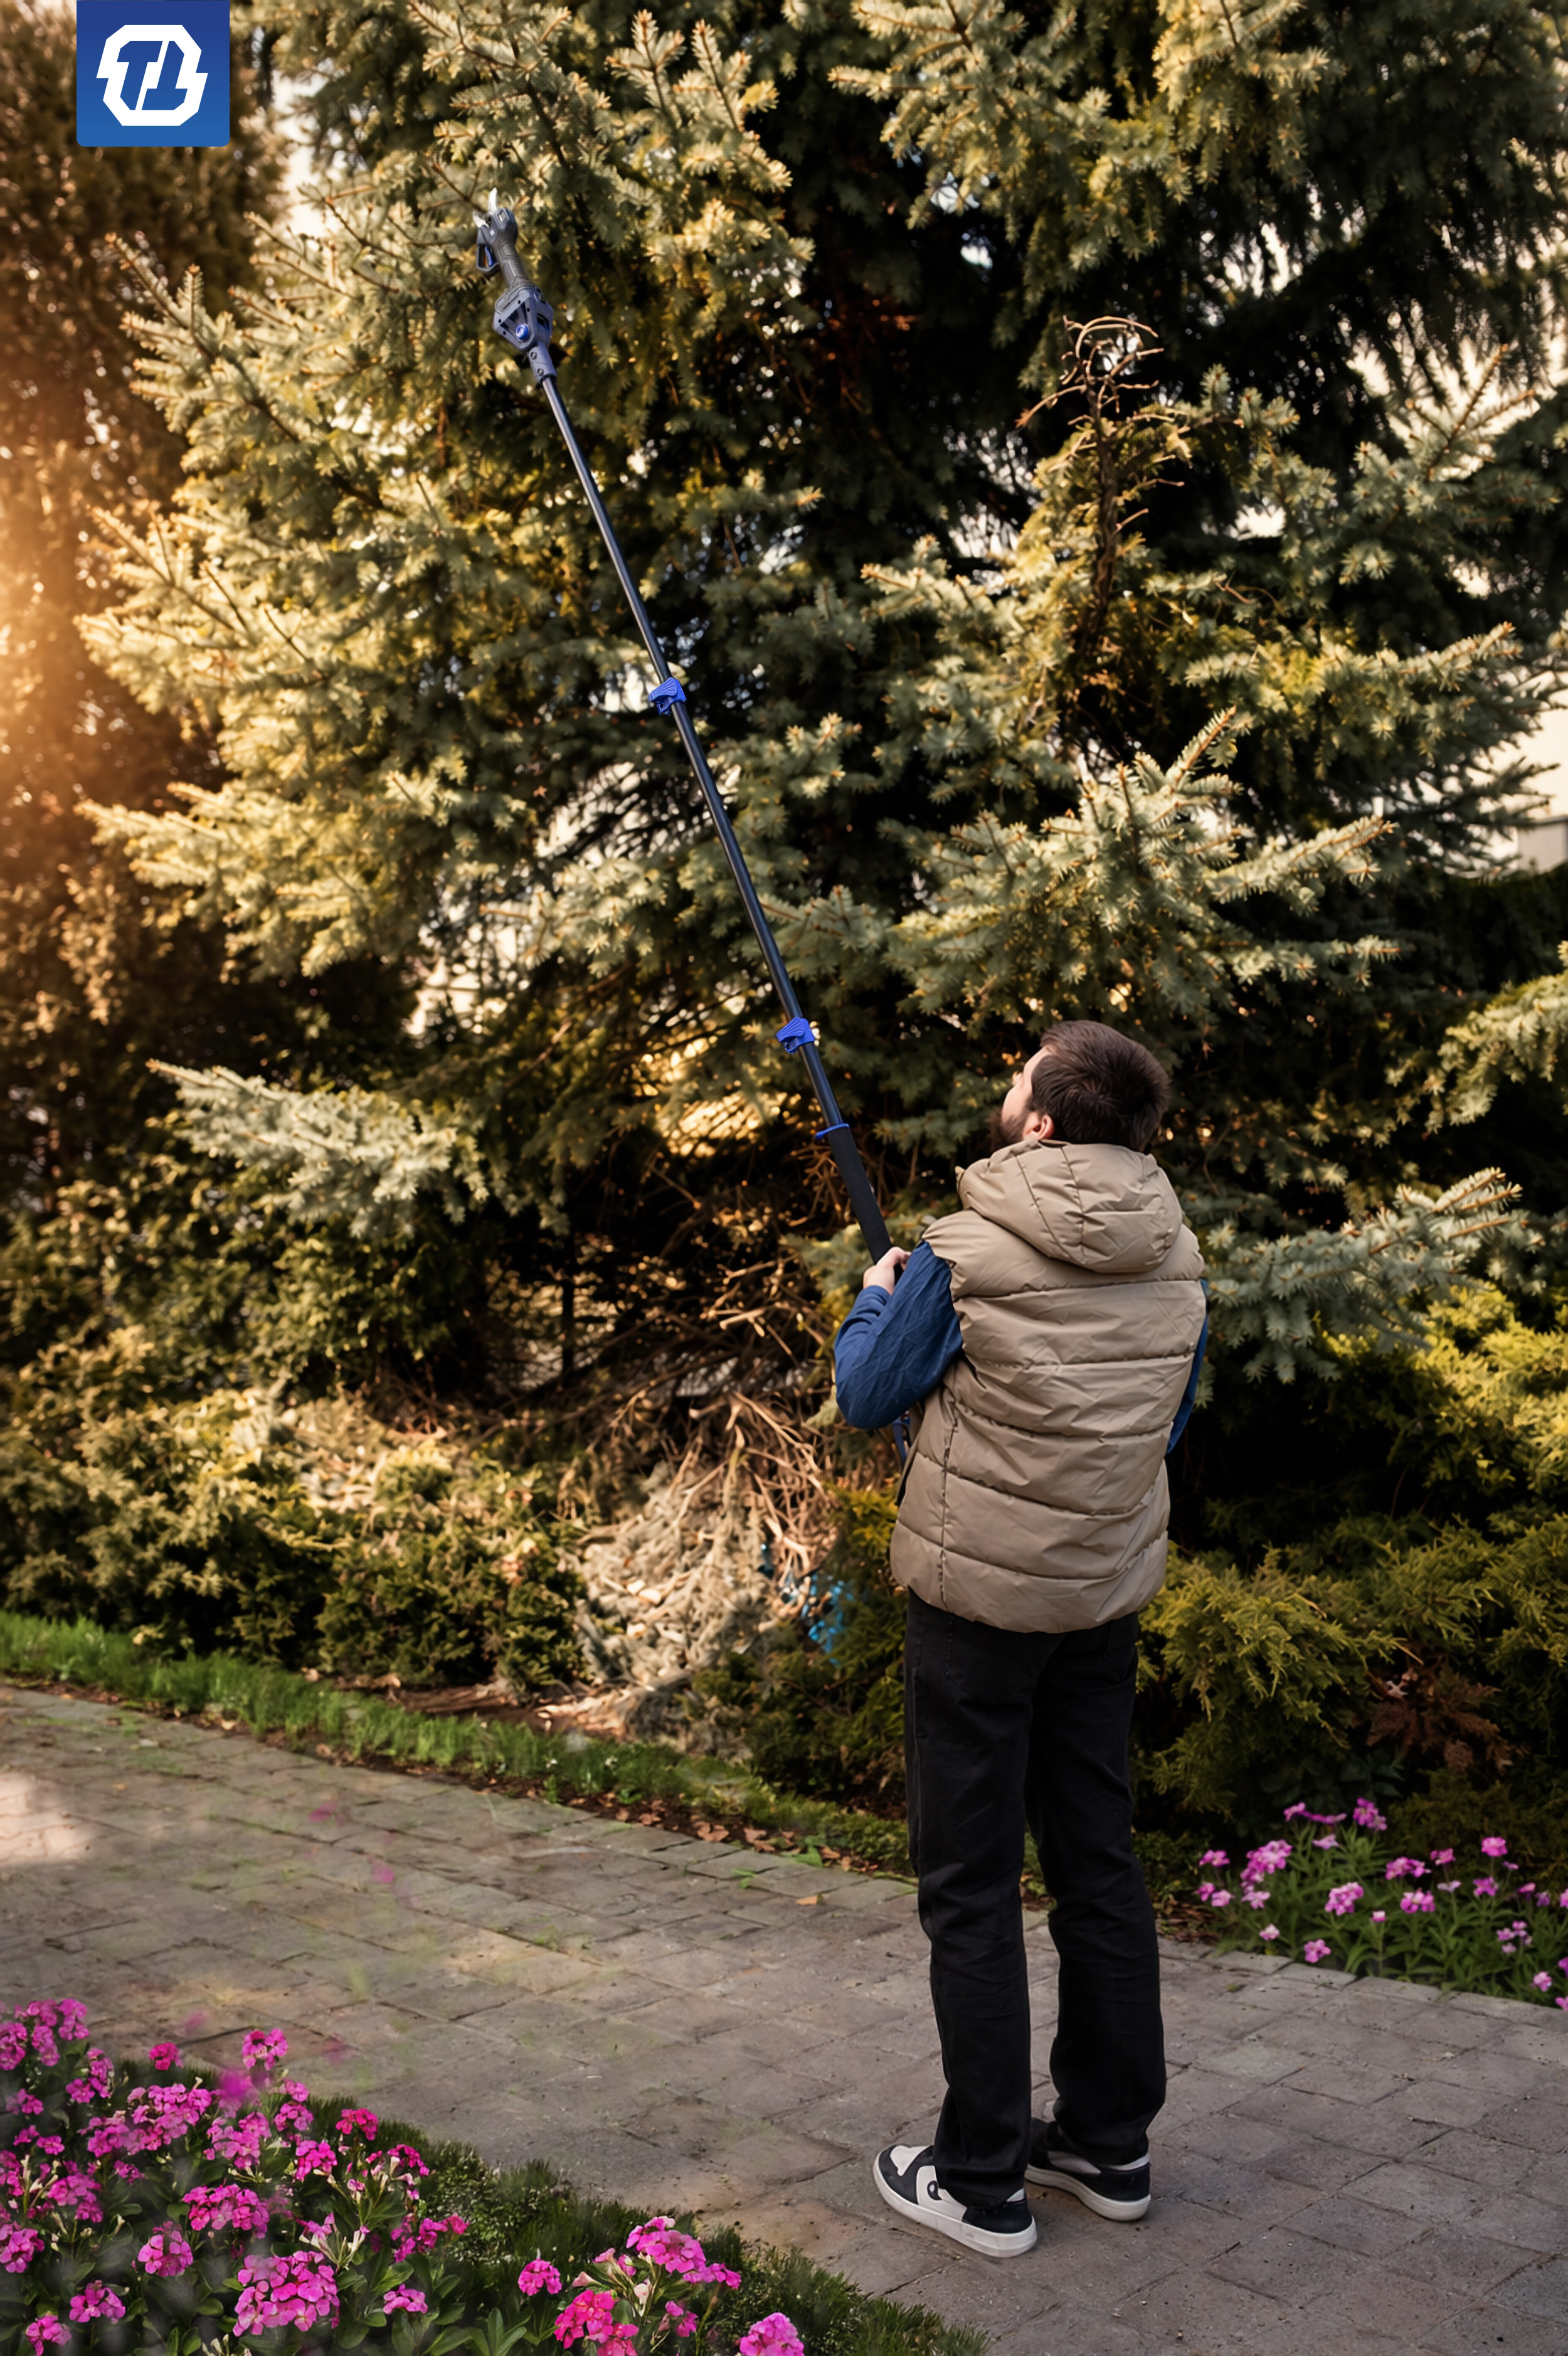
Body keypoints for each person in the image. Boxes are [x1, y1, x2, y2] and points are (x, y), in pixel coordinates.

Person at [833, 1021, 1207, 2259]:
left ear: (1040, 1122)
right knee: (1096, 1865)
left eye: (1018, 1077)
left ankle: (981, 2180)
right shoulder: (1178, 1254)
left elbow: (865, 1396)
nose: (1005, 1089)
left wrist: (873, 1301)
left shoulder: (965, 1246)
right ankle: (1107, 2143)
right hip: (1099, 1604)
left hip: (978, 1615)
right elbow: (1161, 1422)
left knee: (970, 1887)